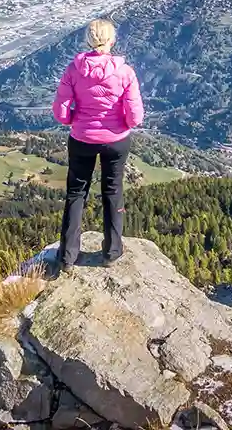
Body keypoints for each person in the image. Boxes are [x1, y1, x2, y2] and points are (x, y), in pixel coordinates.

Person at [51, 18, 144, 273]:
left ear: (89, 41)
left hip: (81, 139)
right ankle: (112, 252)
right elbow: (136, 116)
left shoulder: (74, 69)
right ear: (112, 41)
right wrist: (120, 125)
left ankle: (68, 256)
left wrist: (73, 120)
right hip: (116, 142)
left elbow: (60, 110)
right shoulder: (125, 72)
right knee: (112, 192)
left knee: (76, 193)